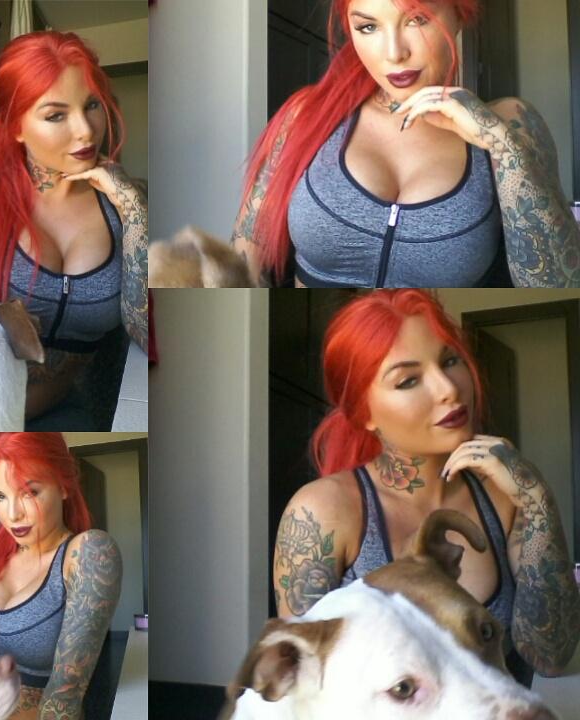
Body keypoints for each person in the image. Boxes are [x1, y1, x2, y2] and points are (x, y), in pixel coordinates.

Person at [273, 290, 580, 684]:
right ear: (364, 413)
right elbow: (304, 685)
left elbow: (551, 656)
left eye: (450, 360)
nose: (448, 388)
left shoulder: (506, 498)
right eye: (408, 380)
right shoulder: (323, 513)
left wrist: (538, 500)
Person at [232, 0, 580, 288]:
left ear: (460, 14)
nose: (394, 53)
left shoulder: (513, 122)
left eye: (417, 19)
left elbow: (558, 285)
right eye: (368, 26)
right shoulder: (307, 116)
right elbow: (243, 267)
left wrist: (502, 144)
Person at [0, 31, 148, 426]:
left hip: (85, 412)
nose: (85, 131)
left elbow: (146, 334)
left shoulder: (131, 205)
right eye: (56, 115)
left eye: (92, 105)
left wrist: (133, 209)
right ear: (15, 125)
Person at [0, 432, 122, 720]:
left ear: (64, 486)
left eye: (29, 492)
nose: (13, 514)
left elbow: (63, 699)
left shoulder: (87, 553)